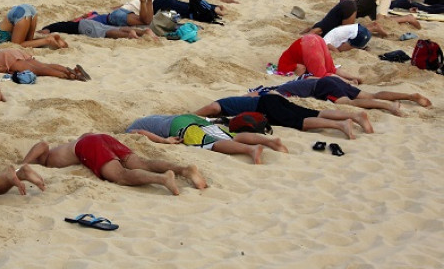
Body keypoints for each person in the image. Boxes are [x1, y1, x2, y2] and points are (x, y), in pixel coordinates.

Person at [22, 134, 207, 195]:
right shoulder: (61, 150)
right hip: (99, 138)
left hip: (87, 145)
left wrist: (24, 163)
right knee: (141, 162)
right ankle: (185, 170)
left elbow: (42, 145)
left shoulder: (46, 156)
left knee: (120, 175)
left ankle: (163, 178)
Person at [194, 93, 374, 139]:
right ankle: (356, 116)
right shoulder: (236, 100)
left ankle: (341, 125)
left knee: (298, 122)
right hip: (272, 99)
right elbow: (253, 95)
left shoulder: (223, 104)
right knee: (310, 112)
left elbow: (213, 106)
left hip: (265, 105)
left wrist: (193, 115)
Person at [126, 114, 288, 164]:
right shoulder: (150, 118)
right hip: (188, 117)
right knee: (229, 136)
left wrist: (164, 141)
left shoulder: (127, 131)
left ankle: (250, 149)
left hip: (177, 125)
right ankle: (269, 142)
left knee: (210, 143)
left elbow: (138, 132)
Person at [257, 75, 432, 117]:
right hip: (331, 80)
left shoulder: (278, 90)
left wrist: (254, 95)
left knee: (349, 104)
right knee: (372, 94)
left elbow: (271, 94)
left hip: (324, 86)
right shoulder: (291, 82)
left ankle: (388, 106)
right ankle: (410, 96)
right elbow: (311, 78)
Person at [0, 47, 90, 81]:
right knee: (43, 65)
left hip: (1, 57)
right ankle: (73, 70)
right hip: (11, 50)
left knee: (37, 71)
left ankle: (68, 76)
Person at [277, 34, 363, 81]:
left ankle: (349, 83)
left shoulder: (283, 68)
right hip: (315, 38)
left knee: (322, 75)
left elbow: (301, 68)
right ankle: (354, 77)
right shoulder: (285, 58)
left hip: (308, 46)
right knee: (332, 69)